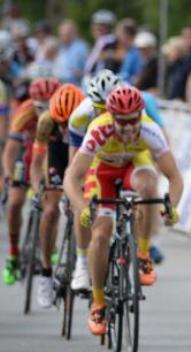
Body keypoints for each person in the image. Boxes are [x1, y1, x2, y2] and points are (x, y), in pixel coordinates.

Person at [63, 86, 183, 336]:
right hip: (102, 170)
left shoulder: (150, 129)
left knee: (149, 187)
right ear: (112, 117)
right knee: (101, 233)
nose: (129, 128)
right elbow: (72, 178)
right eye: (122, 122)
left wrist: (171, 206)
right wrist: (82, 207)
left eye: (133, 121)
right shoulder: (98, 130)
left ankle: (142, 254)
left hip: (133, 165)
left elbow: (174, 177)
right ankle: (98, 303)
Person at [67, 70, 166, 291]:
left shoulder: (136, 106)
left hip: (130, 154)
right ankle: (82, 264)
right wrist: (76, 192)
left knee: (146, 188)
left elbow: (159, 147)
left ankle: (142, 249)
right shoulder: (81, 116)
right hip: (96, 154)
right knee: (81, 199)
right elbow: (74, 161)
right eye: (100, 108)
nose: (106, 113)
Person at [29, 84, 85, 307]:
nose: (64, 127)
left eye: (68, 122)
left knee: (83, 204)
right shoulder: (46, 123)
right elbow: (36, 164)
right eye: (60, 122)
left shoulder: (88, 121)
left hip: (81, 155)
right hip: (57, 156)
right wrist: (37, 189)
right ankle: (45, 271)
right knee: (50, 210)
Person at [2, 77, 60, 285]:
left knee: (51, 204)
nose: (44, 110)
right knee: (15, 202)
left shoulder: (62, 111)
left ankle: (50, 245)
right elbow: (10, 148)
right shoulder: (24, 112)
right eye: (40, 105)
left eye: (48, 104)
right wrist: (8, 174)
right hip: (27, 158)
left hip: (50, 158)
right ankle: (14, 255)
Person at [83, 9, 118, 77]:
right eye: (97, 25)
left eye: (102, 25)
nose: (97, 28)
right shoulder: (101, 41)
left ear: (109, 27)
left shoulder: (110, 41)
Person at [53, 19, 88, 86]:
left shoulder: (81, 47)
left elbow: (87, 69)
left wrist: (81, 73)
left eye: (66, 34)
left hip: (77, 86)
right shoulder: (61, 48)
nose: (62, 37)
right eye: (61, 35)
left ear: (73, 33)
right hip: (61, 84)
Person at [116, 18, 140, 83]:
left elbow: (136, 78)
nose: (117, 36)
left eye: (119, 33)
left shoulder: (137, 53)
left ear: (126, 34)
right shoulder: (129, 52)